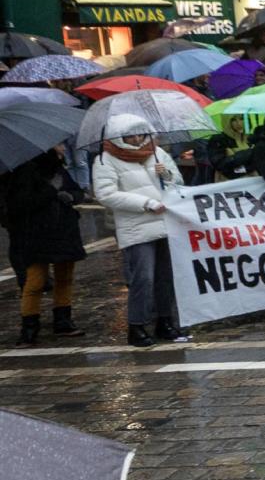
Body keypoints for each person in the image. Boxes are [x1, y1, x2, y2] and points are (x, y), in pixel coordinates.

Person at [91, 115, 190, 348]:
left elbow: (178, 182)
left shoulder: (157, 152)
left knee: (166, 277)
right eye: (130, 135)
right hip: (136, 227)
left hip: (166, 223)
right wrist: (145, 203)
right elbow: (106, 194)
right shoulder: (105, 160)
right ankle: (137, 325)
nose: (136, 139)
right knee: (143, 278)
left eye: (140, 133)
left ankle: (165, 321)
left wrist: (166, 174)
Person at [5, 148, 86, 344]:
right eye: (59, 146)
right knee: (35, 282)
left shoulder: (59, 170)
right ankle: (30, 327)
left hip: (64, 231)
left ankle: (63, 321)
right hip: (36, 234)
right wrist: (51, 191)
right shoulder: (23, 172)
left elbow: (76, 191)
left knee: (64, 279)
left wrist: (71, 196)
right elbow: (20, 204)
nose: (63, 148)